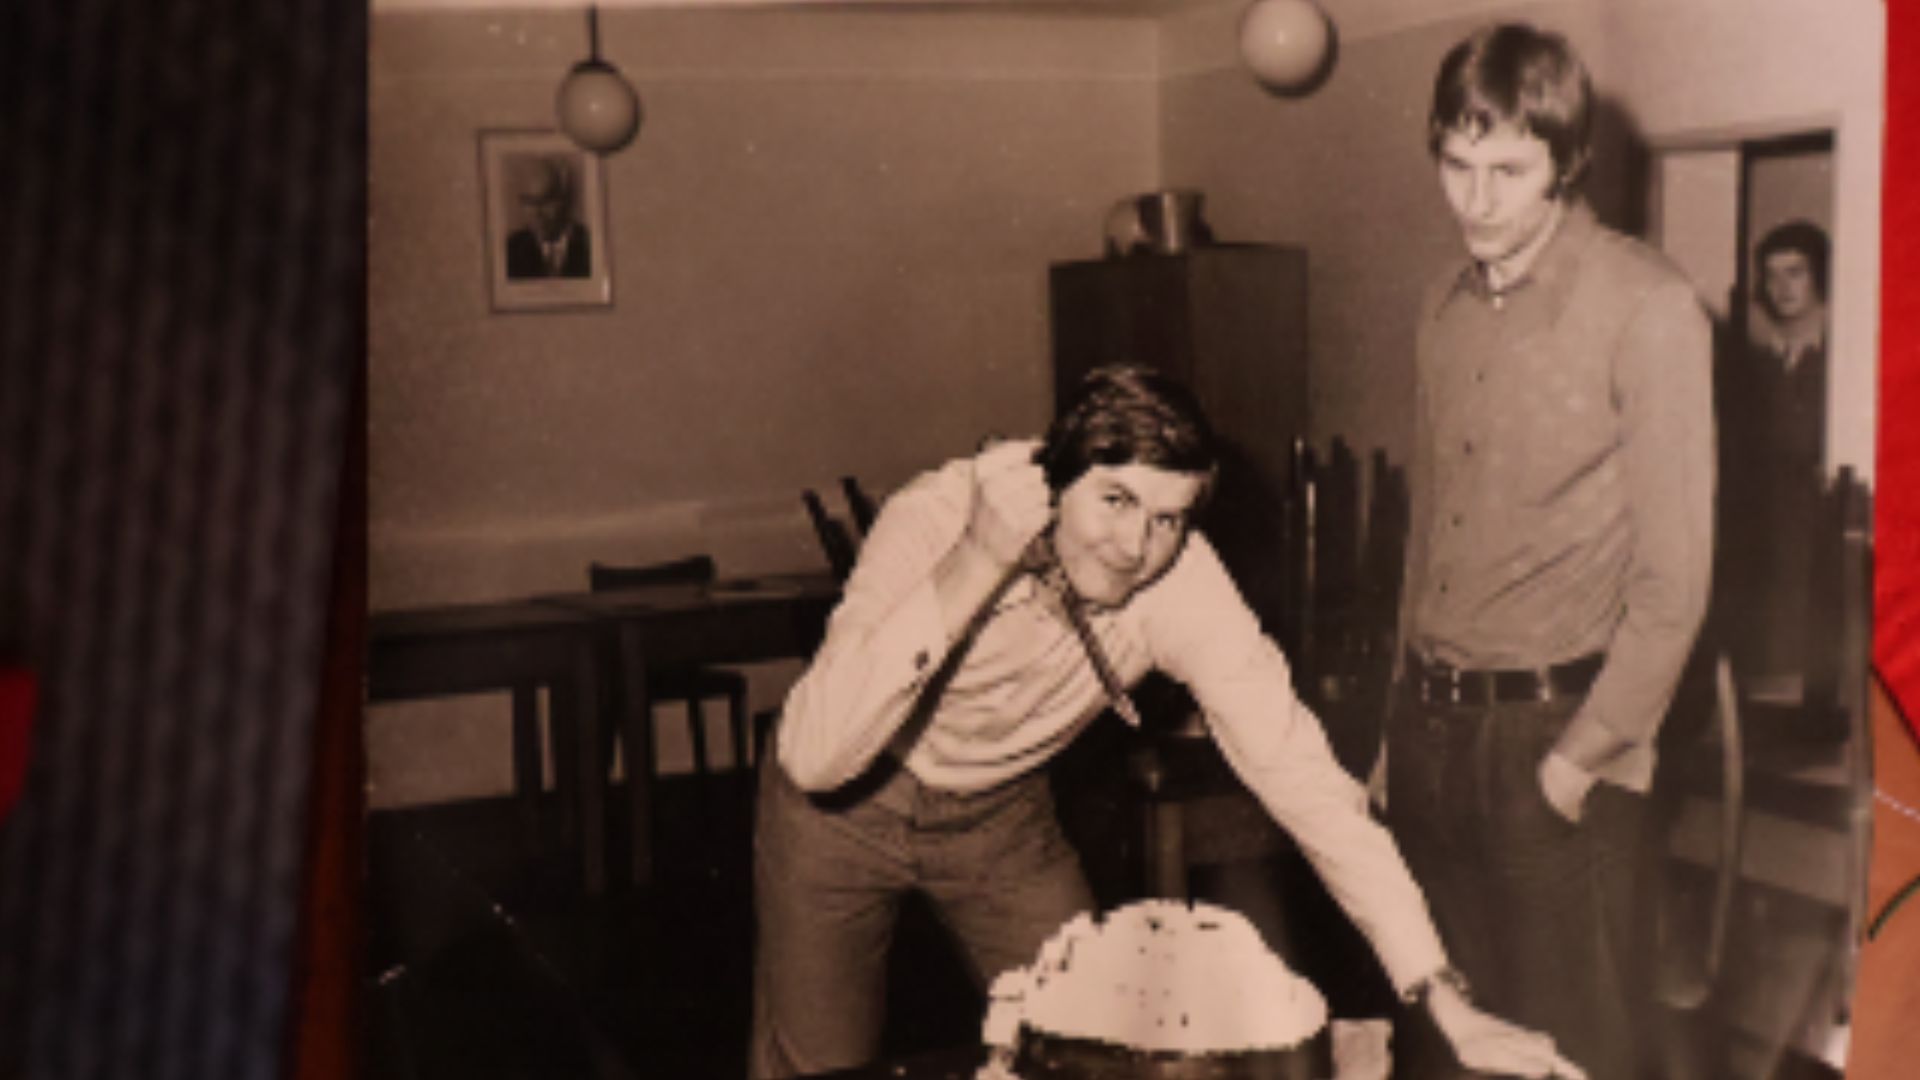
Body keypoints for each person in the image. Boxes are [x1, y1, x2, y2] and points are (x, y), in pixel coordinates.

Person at [751, 365, 1584, 1080]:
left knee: (1103, 1049)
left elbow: (1306, 781)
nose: (1133, 546)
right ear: (1054, 476)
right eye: (1114, 500)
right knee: (816, 1066)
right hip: (843, 812)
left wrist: (1440, 993)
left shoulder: (1183, 583)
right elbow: (816, 755)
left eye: (1167, 518)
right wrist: (977, 557)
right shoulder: (937, 515)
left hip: (1000, 820)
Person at [1386, 22, 1714, 1080]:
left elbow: (1674, 587)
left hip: (1551, 740)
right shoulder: (1440, 308)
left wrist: (1574, 768)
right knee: (1444, 1055)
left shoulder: (1649, 308)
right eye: (1457, 165)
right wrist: (1396, 729)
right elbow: (1426, 533)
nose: (1477, 202)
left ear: (1567, 162)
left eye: (1509, 172)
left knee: (1577, 1059)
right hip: (1428, 736)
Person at [1720, 220, 1830, 678]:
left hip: (1819, 522)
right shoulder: (1756, 360)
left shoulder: (1841, 355)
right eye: (1771, 275)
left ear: (1820, 276)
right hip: (1763, 520)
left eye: (1795, 272)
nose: (1781, 287)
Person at [504, 155, 591, 279]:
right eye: (529, 202)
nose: (537, 213)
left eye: (546, 200)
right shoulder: (511, 250)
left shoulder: (589, 245)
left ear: (564, 200)